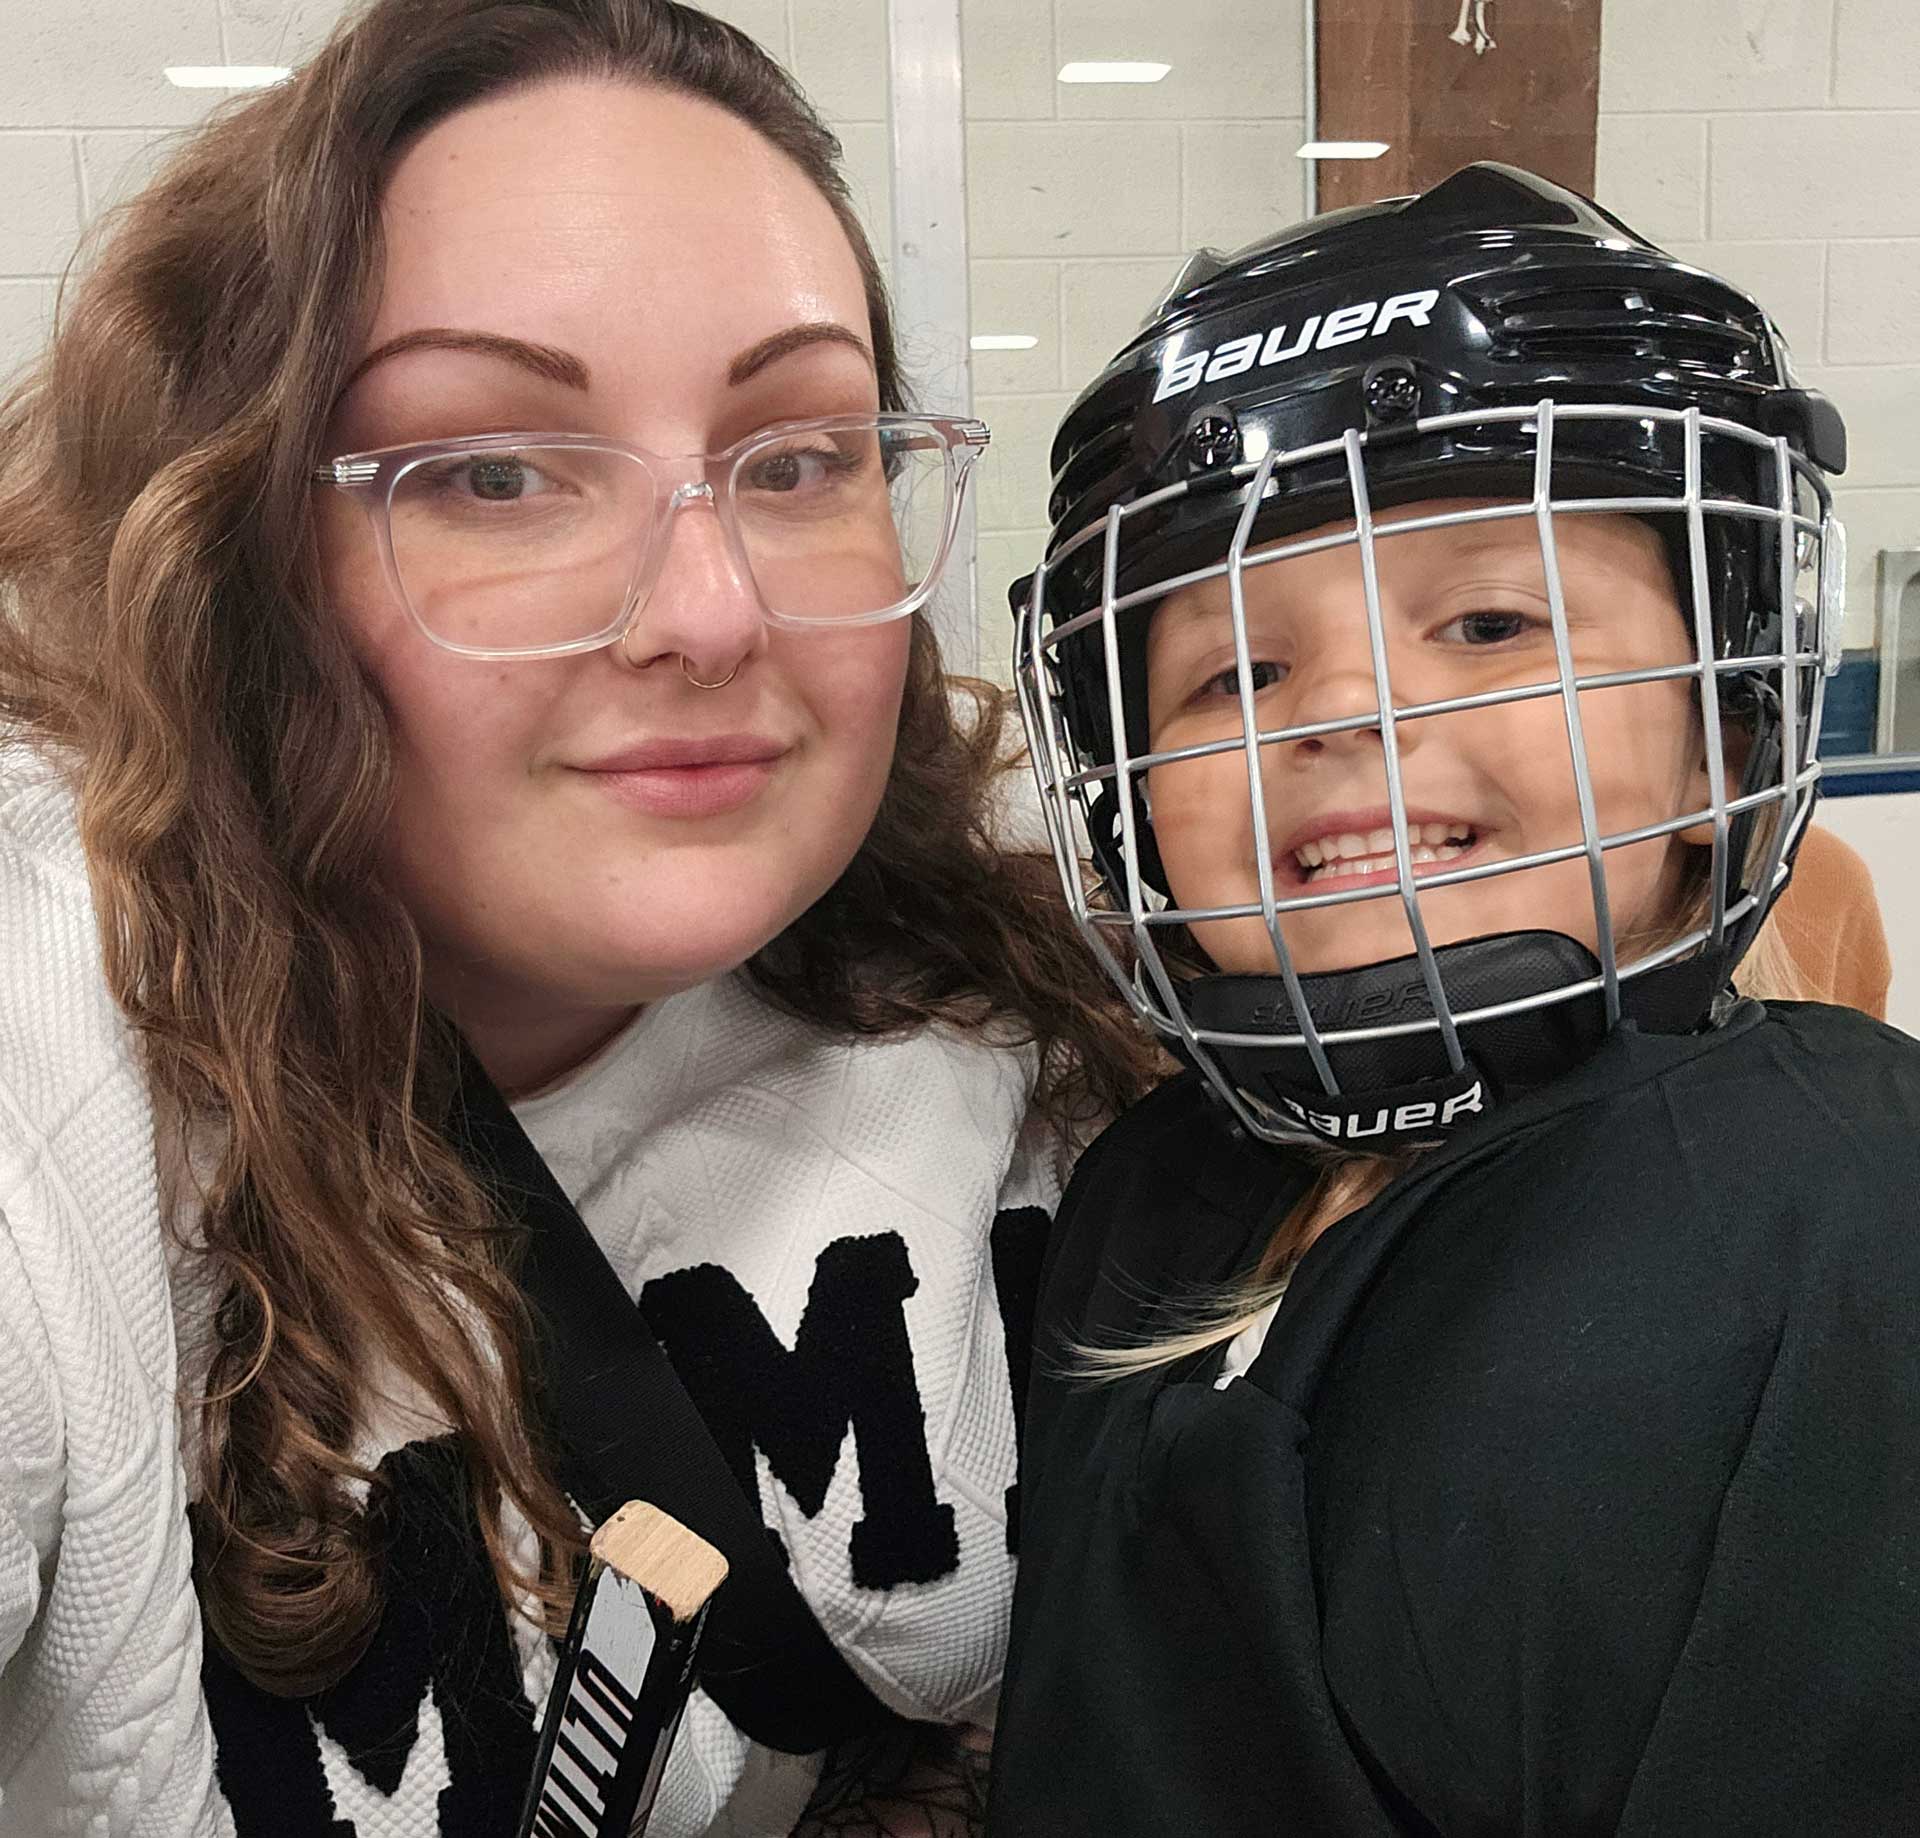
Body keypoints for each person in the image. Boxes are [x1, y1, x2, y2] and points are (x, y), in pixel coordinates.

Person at [0, 2, 1154, 1834]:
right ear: (226, 556)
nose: (708, 613)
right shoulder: (51, 1074)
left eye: (795, 457)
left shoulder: (1026, 933)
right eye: (493, 472)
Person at [988, 163, 1920, 1836]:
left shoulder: (1844, 1212)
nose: (1341, 708)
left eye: (1490, 621)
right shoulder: (1143, 1185)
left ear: (1722, 738)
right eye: (1233, 672)